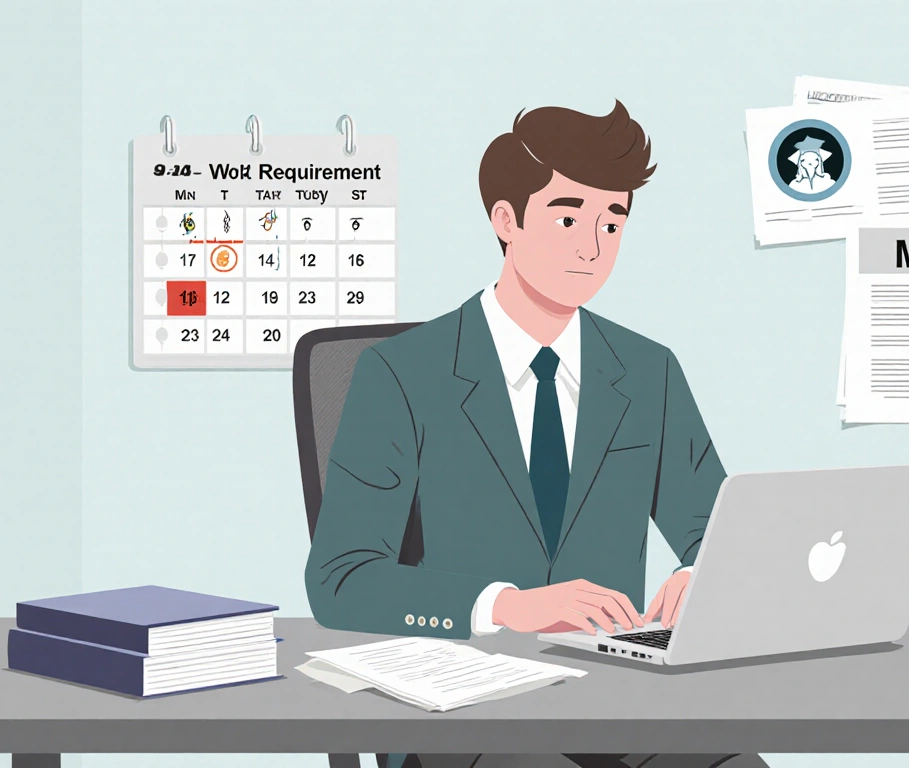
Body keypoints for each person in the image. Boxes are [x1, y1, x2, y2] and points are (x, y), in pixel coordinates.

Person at [305, 101, 765, 768]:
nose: (593, 245)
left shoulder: (647, 371)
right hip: (464, 708)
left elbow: (718, 528)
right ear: (506, 221)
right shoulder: (402, 374)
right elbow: (340, 579)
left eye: (614, 220)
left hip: (613, 698)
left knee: (733, 763)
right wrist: (508, 606)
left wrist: (701, 573)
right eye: (569, 216)